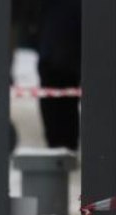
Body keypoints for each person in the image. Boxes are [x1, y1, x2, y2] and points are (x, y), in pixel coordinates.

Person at [36, 0, 81, 150]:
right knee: (63, 110)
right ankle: (63, 146)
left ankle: (62, 146)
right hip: (59, 63)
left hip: (61, 64)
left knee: (60, 111)